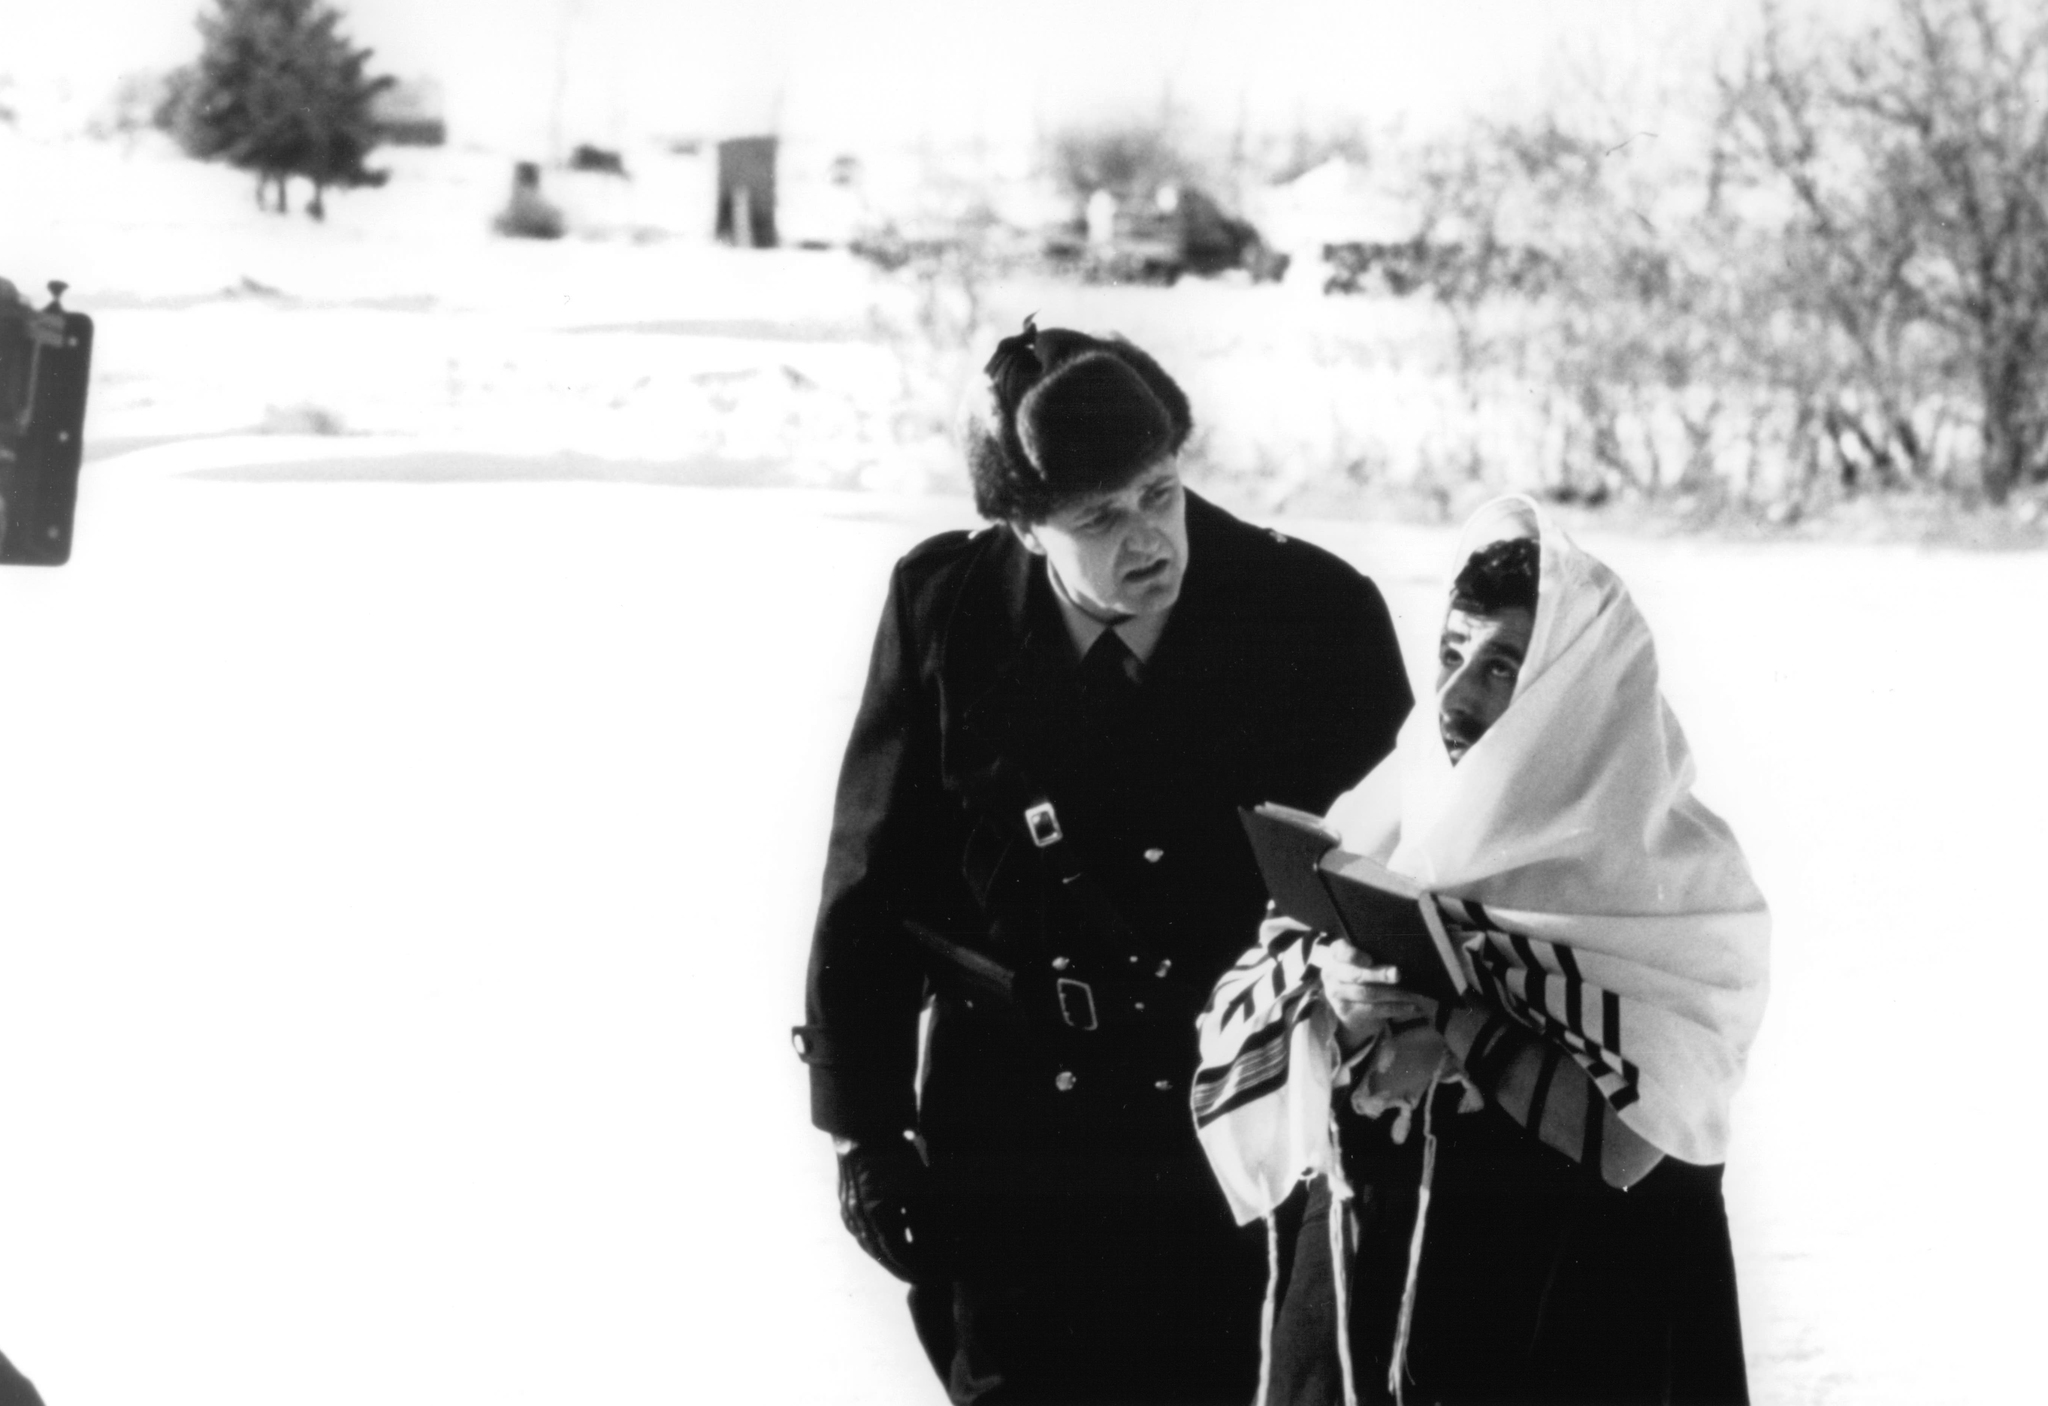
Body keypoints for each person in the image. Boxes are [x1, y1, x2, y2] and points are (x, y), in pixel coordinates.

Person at [794, 319, 1413, 1404]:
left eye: (1159, 492)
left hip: (1236, 1120)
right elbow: (873, 879)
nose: (1148, 537)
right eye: (1097, 517)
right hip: (1013, 1132)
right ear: (1024, 527)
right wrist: (865, 1129)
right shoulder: (948, 610)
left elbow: (1400, 879)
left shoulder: (1312, 615)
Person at [1193, 496, 1770, 1406]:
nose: (1457, 697)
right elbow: (1258, 991)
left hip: (1570, 1312)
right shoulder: (1393, 806)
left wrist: (1462, 1036)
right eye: (1452, 655)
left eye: (1502, 667)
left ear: (1573, 692)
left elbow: (1650, 1136)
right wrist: (1332, 999)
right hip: (1369, 1297)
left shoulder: (1678, 882)